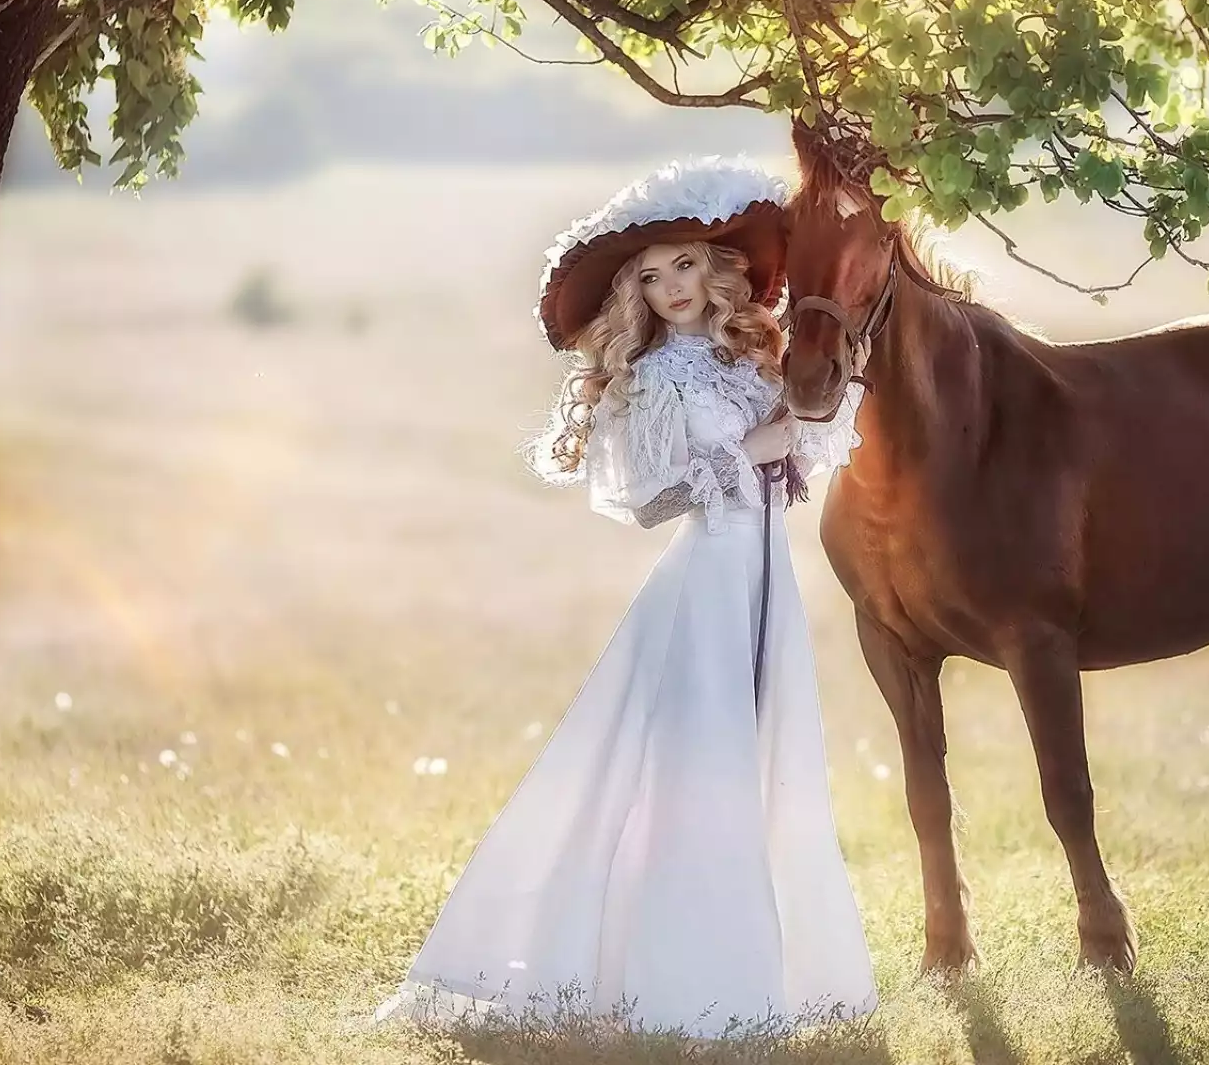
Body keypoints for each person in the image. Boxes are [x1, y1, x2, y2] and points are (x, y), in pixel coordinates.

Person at [374, 156, 875, 1039]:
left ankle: (763, 970)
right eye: (650, 276)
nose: (672, 286)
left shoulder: (744, 354)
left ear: (714, 267)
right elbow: (652, 499)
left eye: (684, 264)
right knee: (695, 768)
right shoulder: (656, 377)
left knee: (762, 765)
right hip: (705, 585)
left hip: (763, 579)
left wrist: (818, 403)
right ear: (633, 293)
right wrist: (754, 450)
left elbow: (802, 441)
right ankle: (684, 982)